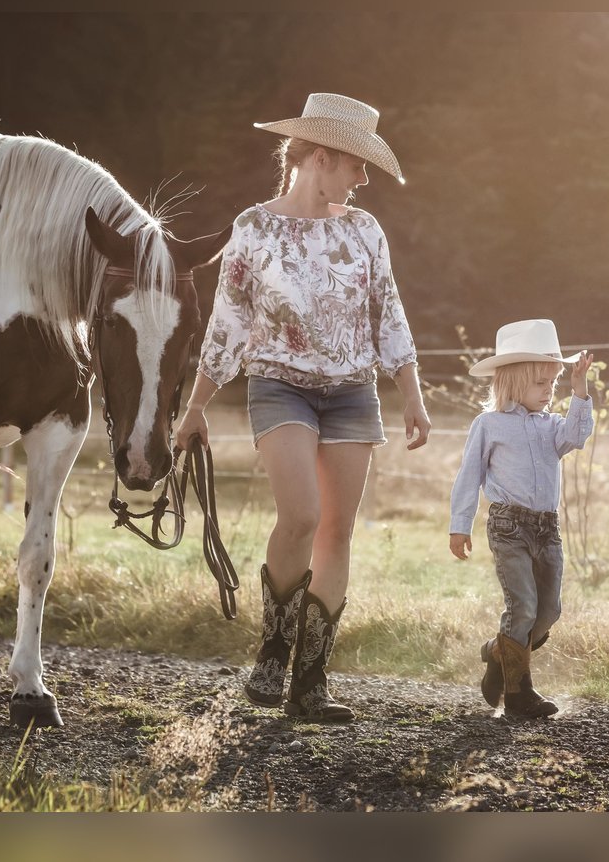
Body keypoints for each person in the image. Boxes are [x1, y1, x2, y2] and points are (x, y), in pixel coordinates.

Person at [174, 93, 431, 723]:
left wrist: (413, 395)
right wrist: (195, 407)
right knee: (301, 516)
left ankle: (310, 681)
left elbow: (388, 315)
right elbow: (228, 323)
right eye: (355, 165)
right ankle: (273, 647)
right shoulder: (254, 228)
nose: (363, 179)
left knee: (336, 532)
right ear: (320, 157)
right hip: (279, 387)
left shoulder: (364, 230)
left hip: (351, 392)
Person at [448, 319, 594, 718]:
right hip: (508, 526)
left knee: (548, 612)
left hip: (547, 528)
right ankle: (519, 695)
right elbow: (469, 476)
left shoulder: (553, 427)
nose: (550, 392)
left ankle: (499, 651)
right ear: (513, 383)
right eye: (541, 384)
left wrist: (580, 391)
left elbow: (578, 437)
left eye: (554, 384)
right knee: (524, 606)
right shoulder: (489, 424)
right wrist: (460, 524)